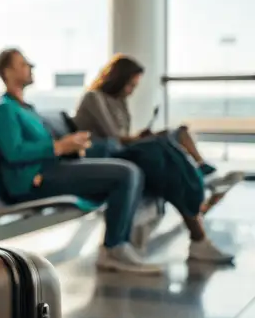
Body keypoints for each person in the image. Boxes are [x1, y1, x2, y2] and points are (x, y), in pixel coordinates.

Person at [0, 48, 162, 275]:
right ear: (7, 72)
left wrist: (70, 145)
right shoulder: (4, 110)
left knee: (131, 171)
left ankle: (119, 245)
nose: (30, 67)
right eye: (23, 64)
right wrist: (59, 146)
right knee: (127, 173)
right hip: (35, 180)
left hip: (52, 169)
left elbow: (41, 147)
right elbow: (13, 152)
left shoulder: (26, 109)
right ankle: (114, 248)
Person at [75, 54, 245, 215]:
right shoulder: (94, 98)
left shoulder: (120, 102)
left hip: (121, 147)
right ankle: (202, 185)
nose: (131, 91)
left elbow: (123, 135)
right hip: (106, 152)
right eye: (130, 85)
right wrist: (139, 138)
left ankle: (202, 169)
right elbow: (113, 135)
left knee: (179, 133)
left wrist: (139, 136)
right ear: (117, 80)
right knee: (163, 147)